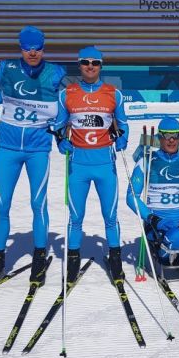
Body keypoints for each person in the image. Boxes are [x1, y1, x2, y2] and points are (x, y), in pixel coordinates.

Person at [0, 26, 66, 287]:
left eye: (37, 47)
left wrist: (61, 130)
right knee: (1, 205)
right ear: (21, 48)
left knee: (38, 204)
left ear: (43, 48)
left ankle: (38, 258)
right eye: (28, 48)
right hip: (8, 148)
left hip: (38, 149)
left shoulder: (56, 72)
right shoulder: (5, 69)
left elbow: (63, 106)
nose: (33, 52)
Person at [49, 46, 129, 281]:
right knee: (75, 217)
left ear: (101, 65)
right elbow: (59, 125)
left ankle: (116, 262)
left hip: (105, 163)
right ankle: (72, 263)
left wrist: (123, 137)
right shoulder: (67, 94)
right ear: (79, 64)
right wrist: (61, 140)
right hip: (78, 165)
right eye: (85, 62)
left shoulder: (114, 93)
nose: (90, 66)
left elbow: (123, 123)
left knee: (110, 215)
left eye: (95, 62)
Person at [126, 117, 179, 266]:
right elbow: (131, 196)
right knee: (177, 238)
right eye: (167, 135)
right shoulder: (146, 161)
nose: (171, 140)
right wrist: (151, 218)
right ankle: (162, 253)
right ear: (159, 137)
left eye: (176, 136)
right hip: (159, 222)